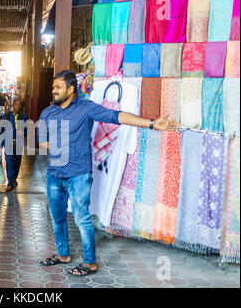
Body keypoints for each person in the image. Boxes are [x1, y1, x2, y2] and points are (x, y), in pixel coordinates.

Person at [38, 70, 177, 276]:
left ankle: (90, 262)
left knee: (82, 218)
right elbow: (42, 142)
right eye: (53, 87)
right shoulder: (47, 113)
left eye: (58, 87)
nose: (54, 91)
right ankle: (63, 254)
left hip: (78, 175)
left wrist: (151, 123)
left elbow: (117, 116)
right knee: (57, 217)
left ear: (70, 88)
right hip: (54, 175)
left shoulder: (86, 108)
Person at [0, 98, 28, 192]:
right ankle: (10, 183)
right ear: (12, 104)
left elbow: (25, 130)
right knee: (9, 162)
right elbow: (2, 130)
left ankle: (14, 177)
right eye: (16, 104)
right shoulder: (6, 116)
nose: (17, 107)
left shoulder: (23, 117)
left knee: (17, 162)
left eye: (19, 105)